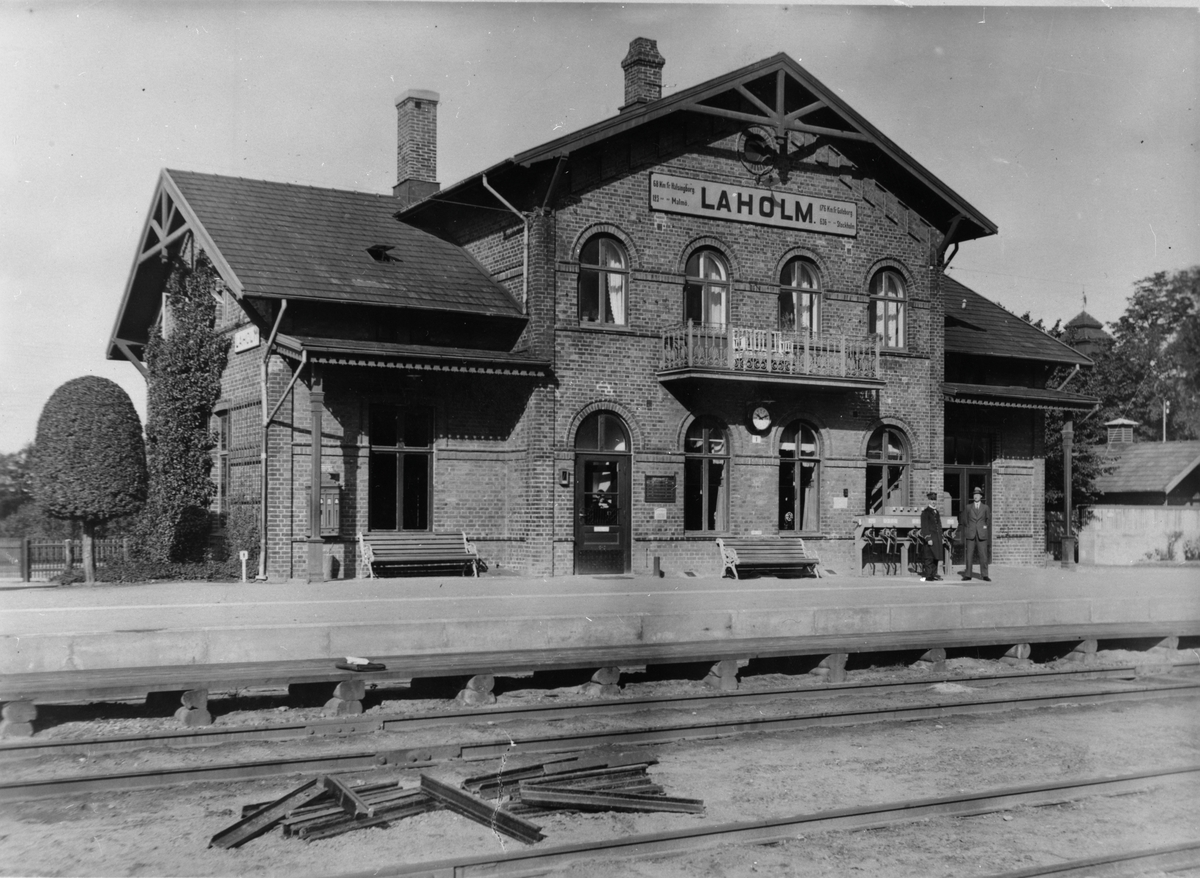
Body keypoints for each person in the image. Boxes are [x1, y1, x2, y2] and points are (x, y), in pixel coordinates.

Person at [960, 487, 991, 581]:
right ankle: (968, 575)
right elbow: (964, 519)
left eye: (977, 494)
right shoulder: (968, 507)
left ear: (981, 496)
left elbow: (988, 520)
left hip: (982, 533)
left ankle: (984, 575)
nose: (975, 496)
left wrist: (983, 528)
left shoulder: (985, 507)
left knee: (983, 554)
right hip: (971, 533)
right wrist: (970, 527)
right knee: (969, 554)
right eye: (974, 494)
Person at [918, 491, 943, 581]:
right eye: (931, 500)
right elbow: (924, 527)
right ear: (928, 501)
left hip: (937, 538)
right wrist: (928, 538)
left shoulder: (937, 512)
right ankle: (929, 575)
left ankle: (934, 574)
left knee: (936, 557)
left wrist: (941, 537)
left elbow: (939, 525)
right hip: (930, 538)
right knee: (929, 557)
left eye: (934, 500)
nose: (933, 502)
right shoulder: (925, 512)